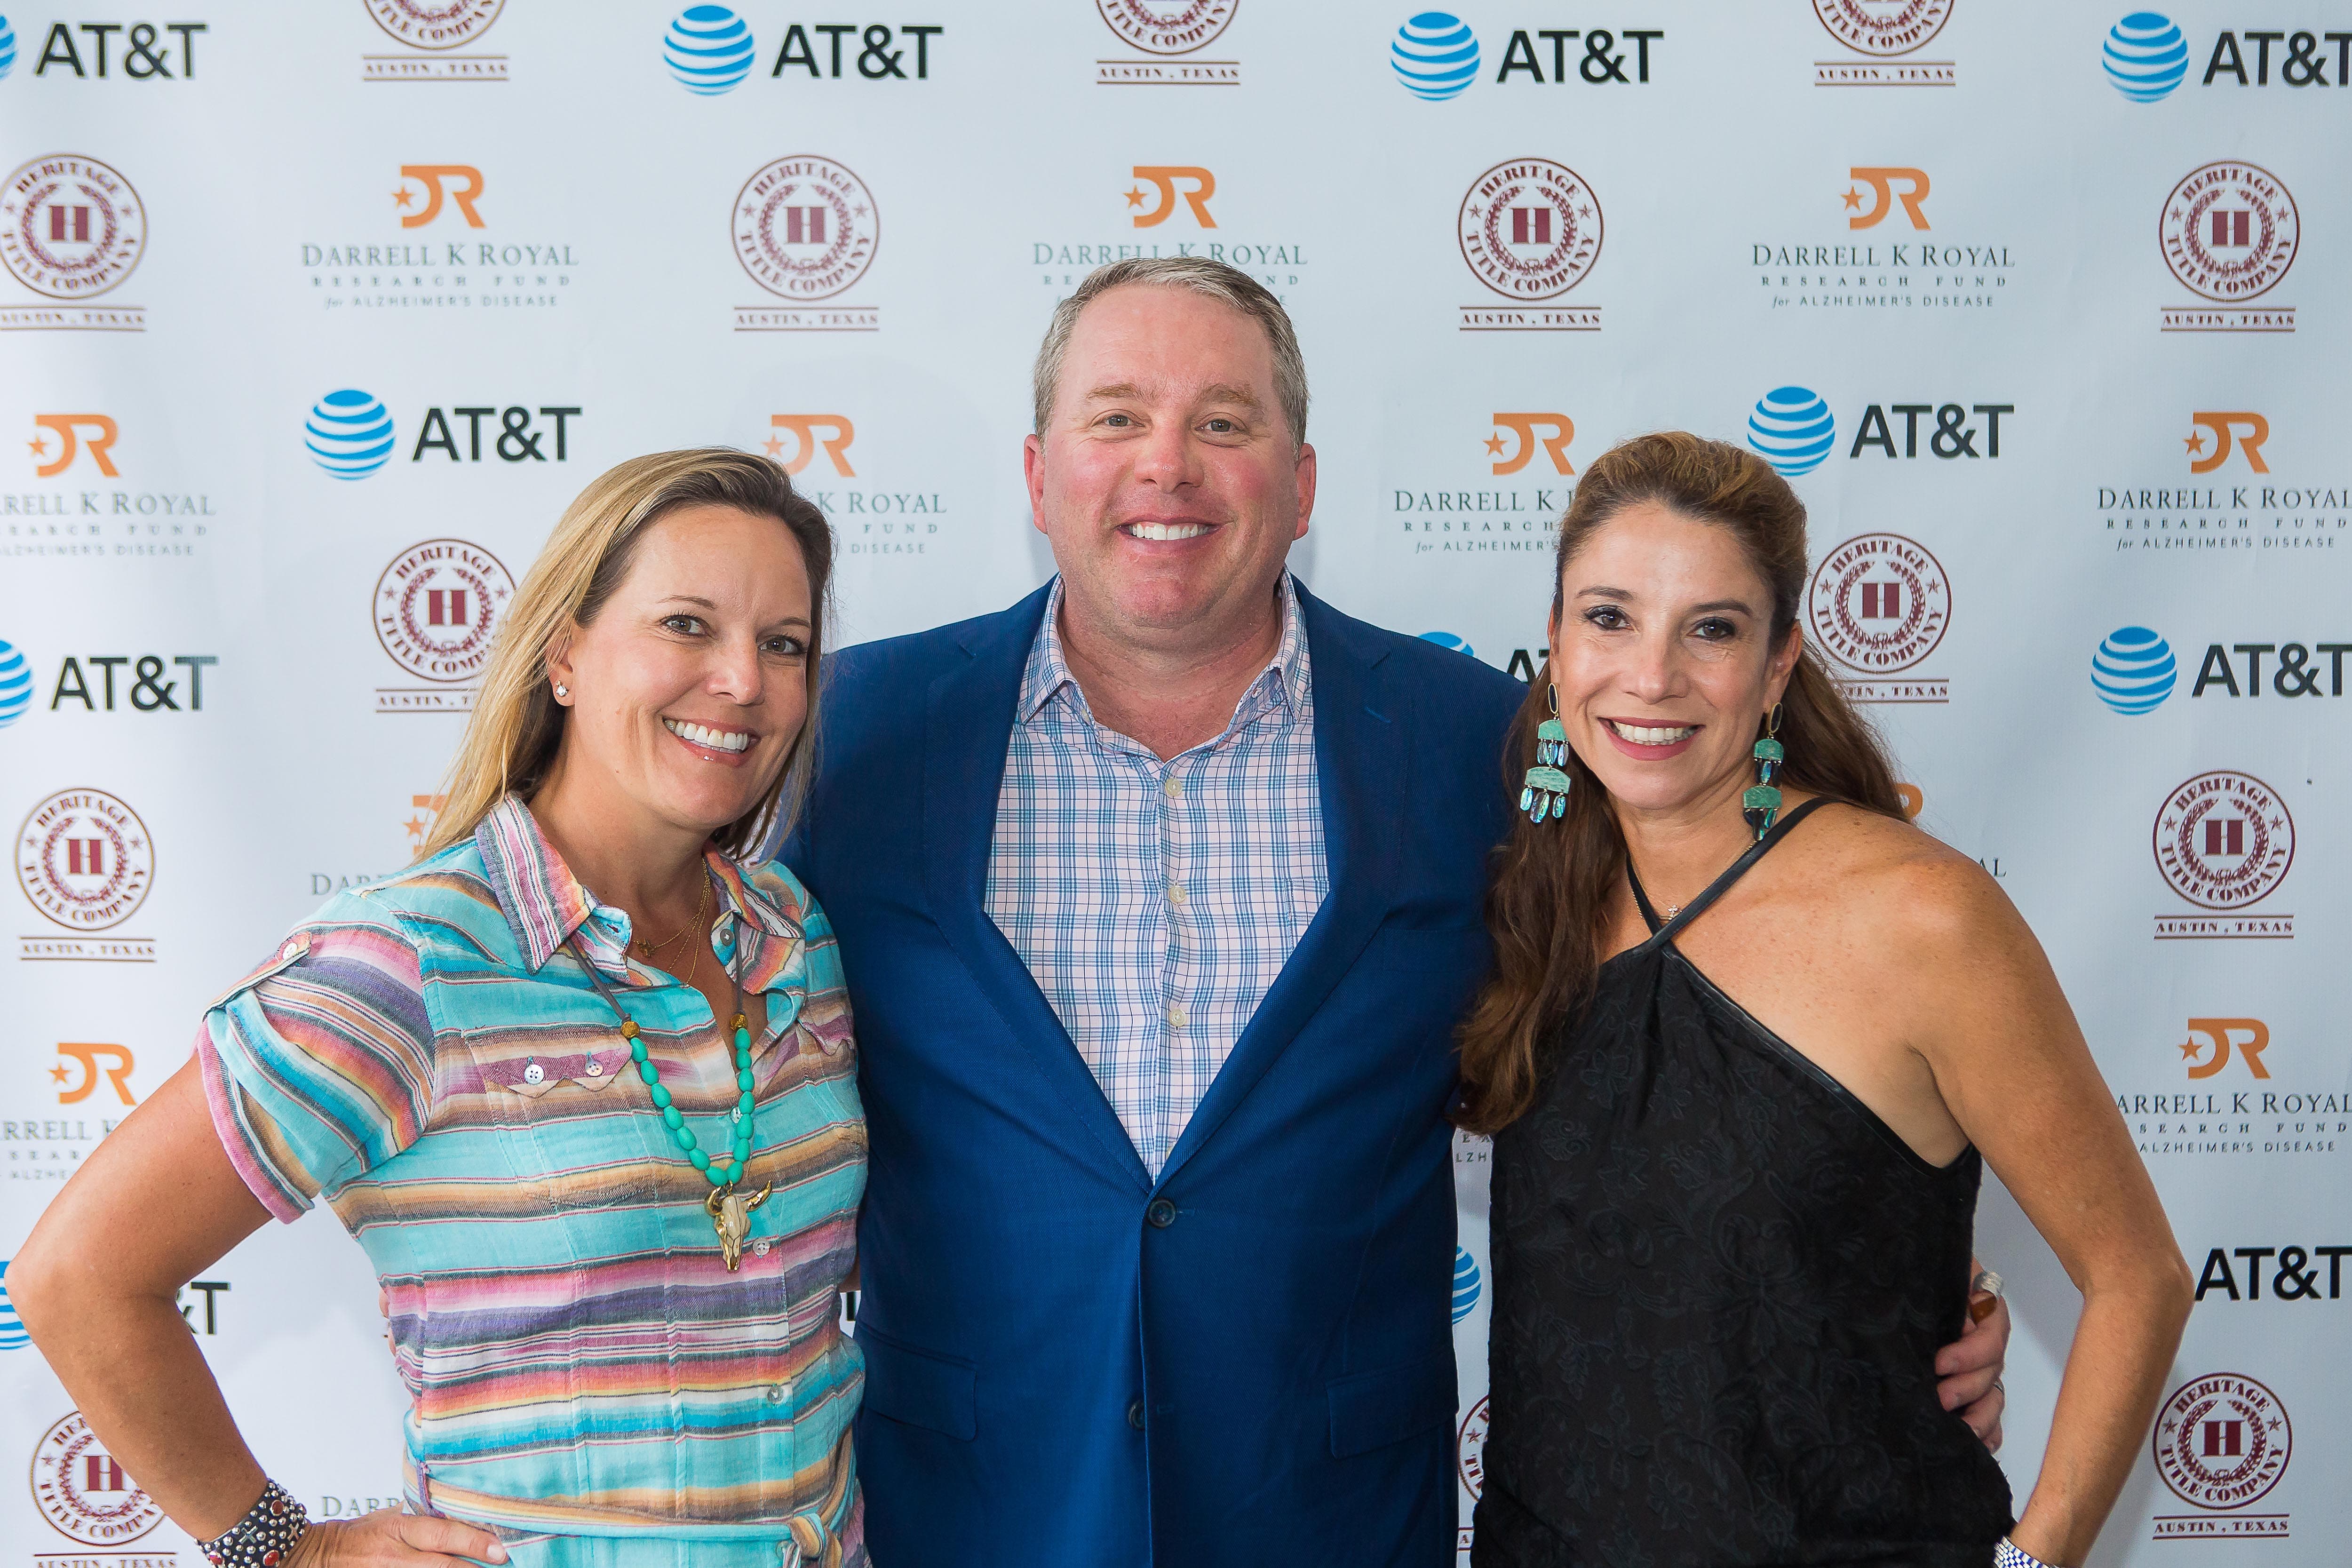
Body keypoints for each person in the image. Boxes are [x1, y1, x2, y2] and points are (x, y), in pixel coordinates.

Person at [781, 259, 2011, 1566]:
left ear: (1302, 483)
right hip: (969, 1510)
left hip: (1336, 1519)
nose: (1168, 465)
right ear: (1039, 477)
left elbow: (1696, 1014)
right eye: (1118, 416)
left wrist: (1900, 1268)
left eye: (1224, 421)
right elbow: (711, 1039)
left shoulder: (1475, 743)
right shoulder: (849, 736)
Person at [11, 451, 869, 1568]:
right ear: (565, 654)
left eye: (784, 644)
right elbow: (77, 1278)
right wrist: (286, 1548)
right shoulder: (409, 963)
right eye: (686, 624)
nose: (743, 679)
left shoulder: (793, 934)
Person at [1456, 432, 2194, 1568]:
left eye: (1711, 628)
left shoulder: (1922, 917)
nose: (1650, 676)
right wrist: (1928, 1272)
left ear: (1778, 664)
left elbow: (2138, 1276)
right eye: (1609, 617)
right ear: (1554, 641)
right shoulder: (1528, 886)